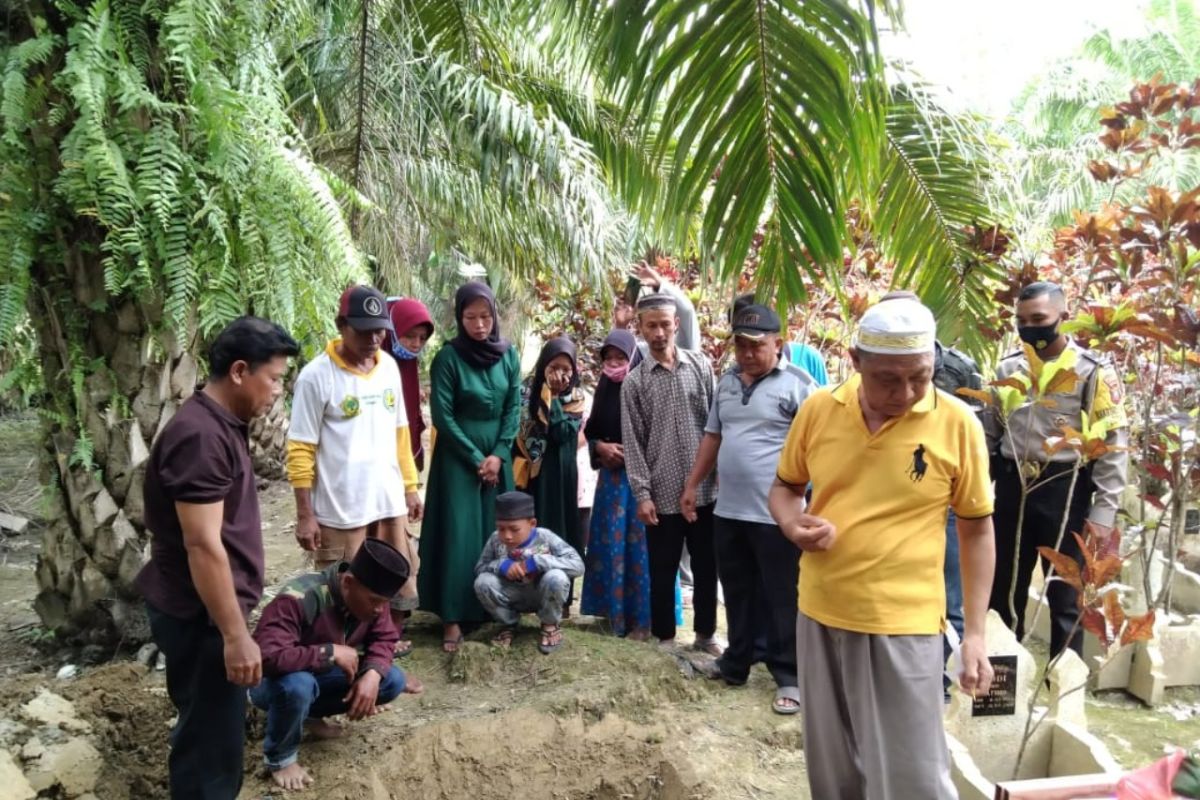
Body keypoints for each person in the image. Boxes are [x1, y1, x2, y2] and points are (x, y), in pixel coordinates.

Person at [768, 298, 996, 799]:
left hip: (904, 623)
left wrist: (975, 635)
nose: (908, 392)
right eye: (889, 379)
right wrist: (791, 523)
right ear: (855, 361)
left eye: (921, 376)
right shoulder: (820, 409)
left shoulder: (958, 424)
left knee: (914, 778)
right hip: (820, 611)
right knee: (834, 773)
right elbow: (785, 488)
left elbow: (977, 529)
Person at [136, 316, 298, 799]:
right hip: (200, 617)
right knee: (210, 748)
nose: (275, 392)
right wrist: (233, 634)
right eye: (273, 379)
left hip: (206, 613)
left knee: (213, 738)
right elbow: (202, 544)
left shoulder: (219, 424)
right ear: (239, 371)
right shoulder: (201, 437)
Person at [680, 304, 816, 714]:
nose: (747, 353)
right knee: (736, 591)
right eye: (740, 345)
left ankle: (789, 676)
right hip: (730, 511)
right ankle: (735, 662)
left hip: (778, 517)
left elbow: (820, 447)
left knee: (782, 596)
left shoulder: (800, 385)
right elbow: (712, 436)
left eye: (757, 346)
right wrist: (692, 485)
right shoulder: (725, 383)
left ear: (779, 343)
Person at [982, 281, 1129, 657]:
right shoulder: (1008, 369)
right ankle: (999, 691)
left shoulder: (1092, 372)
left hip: (1065, 490)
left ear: (1064, 317)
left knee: (1066, 597)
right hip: (1013, 488)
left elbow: (1112, 445)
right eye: (1022, 320)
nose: (1030, 328)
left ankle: (1062, 697)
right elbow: (989, 437)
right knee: (1002, 592)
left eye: (1039, 319)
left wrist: (1103, 514)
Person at [251, 538, 424, 791]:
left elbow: (385, 638)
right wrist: (328, 652)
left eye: (384, 603)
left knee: (391, 681)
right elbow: (265, 657)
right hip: (272, 682)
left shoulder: (375, 598)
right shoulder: (299, 597)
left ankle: (310, 715)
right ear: (347, 582)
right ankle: (280, 757)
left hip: (318, 676)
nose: (379, 610)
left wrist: (372, 674)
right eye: (375, 601)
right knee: (298, 685)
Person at [881, 289, 983, 695]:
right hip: (901, 495)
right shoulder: (875, 365)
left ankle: (940, 677)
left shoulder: (960, 367)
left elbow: (981, 430)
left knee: (949, 592)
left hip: (952, 499)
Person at [419, 281, 522, 652]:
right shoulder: (447, 358)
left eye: (485, 316)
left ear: (494, 315)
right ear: (459, 318)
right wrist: (478, 459)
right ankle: (451, 617)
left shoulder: (508, 354)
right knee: (459, 536)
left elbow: (514, 405)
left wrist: (499, 453)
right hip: (458, 460)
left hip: (498, 455)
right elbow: (442, 417)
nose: (479, 325)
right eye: (470, 317)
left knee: (499, 535)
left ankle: (496, 609)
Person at [621, 293, 722, 654]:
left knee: (707, 567)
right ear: (641, 329)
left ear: (676, 324)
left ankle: (706, 635)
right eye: (652, 325)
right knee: (662, 571)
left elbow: (716, 426)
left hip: (706, 491)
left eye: (665, 324)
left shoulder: (701, 367)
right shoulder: (634, 384)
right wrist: (642, 494)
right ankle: (665, 637)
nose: (660, 332)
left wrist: (719, 476)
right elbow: (633, 443)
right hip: (661, 495)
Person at [580, 330, 652, 640]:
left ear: (633, 358)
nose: (613, 364)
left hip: (641, 482)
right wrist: (600, 448)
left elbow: (657, 431)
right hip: (610, 482)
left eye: (620, 358)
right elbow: (592, 431)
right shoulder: (605, 388)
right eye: (608, 359)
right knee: (611, 543)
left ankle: (642, 620)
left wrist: (632, 452)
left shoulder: (647, 385)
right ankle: (611, 613)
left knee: (641, 548)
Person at [382, 296, 435, 654]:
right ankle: (380, 631)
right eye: (408, 336)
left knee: (401, 549)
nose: (414, 345)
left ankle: (393, 628)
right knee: (381, 551)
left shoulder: (407, 368)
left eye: (420, 338)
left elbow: (410, 422)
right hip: (376, 474)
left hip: (400, 473)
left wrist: (411, 483)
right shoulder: (380, 365)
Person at [473, 491, 585, 653]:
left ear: (532, 523)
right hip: (511, 595)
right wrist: (501, 565)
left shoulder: (546, 537)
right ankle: (508, 624)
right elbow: (480, 568)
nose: (507, 536)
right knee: (483, 582)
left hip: (543, 594)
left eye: (514, 529)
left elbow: (578, 565)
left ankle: (549, 623)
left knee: (557, 577)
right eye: (501, 528)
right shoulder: (495, 539)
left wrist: (539, 561)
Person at [515, 337, 586, 561]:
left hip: (559, 474)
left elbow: (562, 433)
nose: (560, 375)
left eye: (566, 369)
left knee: (559, 527)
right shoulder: (525, 392)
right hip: (530, 474)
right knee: (529, 525)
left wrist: (553, 398)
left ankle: (560, 586)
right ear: (542, 365)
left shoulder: (576, 397)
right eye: (554, 368)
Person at [731, 293, 828, 385]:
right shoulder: (731, 379)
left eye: (755, 343)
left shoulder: (807, 357)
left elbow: (824, 399)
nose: (748, 353)